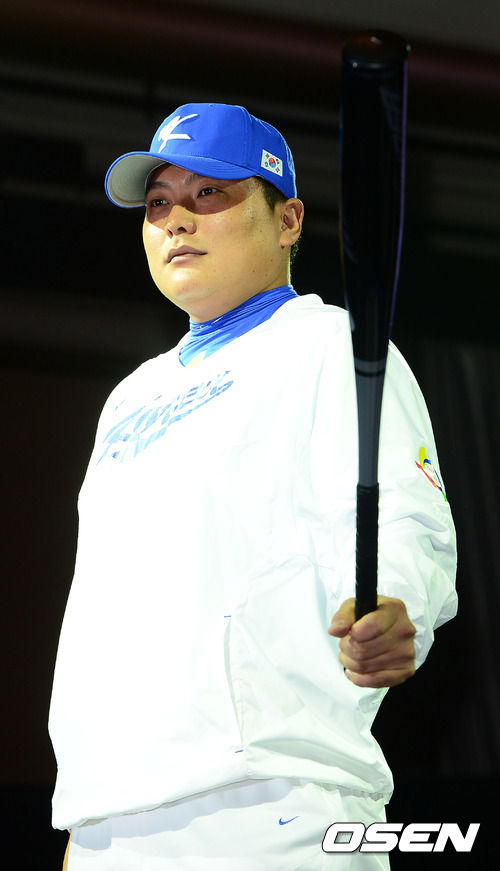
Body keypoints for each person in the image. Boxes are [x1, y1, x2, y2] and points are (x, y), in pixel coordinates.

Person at [49, 103, 457, 870]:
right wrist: (86, 820)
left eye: (209, 193)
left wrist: (395, 604)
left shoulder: (330, 343)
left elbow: (402, 515)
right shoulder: (130, 396)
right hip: (110, 823)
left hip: (270, 801)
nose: (176, 219)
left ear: (288, 220)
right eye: (159, 202)